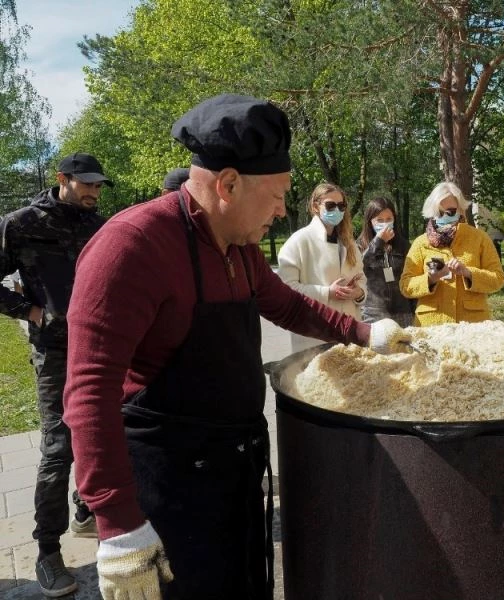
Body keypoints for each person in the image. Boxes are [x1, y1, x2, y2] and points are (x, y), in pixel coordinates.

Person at [62, 94, 408, 600]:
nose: (283, 209)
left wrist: (362, 333)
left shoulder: (240, 247)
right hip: (168, 489)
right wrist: (118, 525)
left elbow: (288, 306)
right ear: (227, 185)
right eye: (277, 195)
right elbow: (88, 394)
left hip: (235, 471)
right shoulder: (131, 247)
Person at [0, 152, 112, 597]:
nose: (94, 192)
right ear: (62, 179)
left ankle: (86, 510)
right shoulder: (21, 223)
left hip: (100, 347)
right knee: (58, 446)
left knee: (103, 432)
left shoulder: (99, 225)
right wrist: (29, 311)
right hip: (54, 351)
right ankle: (48, 550)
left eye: (99, 186)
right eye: (87, 184)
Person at [399, 182, 504, 326]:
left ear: (461, 209)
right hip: (431, 327)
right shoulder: (420, 243)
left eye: (450, 211)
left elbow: (498, 279)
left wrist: (468, 273)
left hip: (473, 327)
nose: (444, 216)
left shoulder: (479, 239)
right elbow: (405, 286)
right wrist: (430, 279)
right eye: (439, 212)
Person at [278, 182, 367, 352]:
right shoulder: (299, 241)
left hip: (349, 332)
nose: (337, 210)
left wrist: (359, 292)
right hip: (314, 335)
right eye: (330, 205)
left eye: (341, 206)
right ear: (315, 206)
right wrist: (327, 293)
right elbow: (284, 290)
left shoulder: (349, 243)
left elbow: (361, 277)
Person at [357, 196, 416, 326]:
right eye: (379, 220)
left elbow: (411, 277)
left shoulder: (404, 245)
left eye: (389, 219)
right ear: (370, 222)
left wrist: (414, 310)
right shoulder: (359, 246)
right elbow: (359, 267)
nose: (385, 223)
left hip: (403, 312)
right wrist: (378, 242)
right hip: (373, 313)